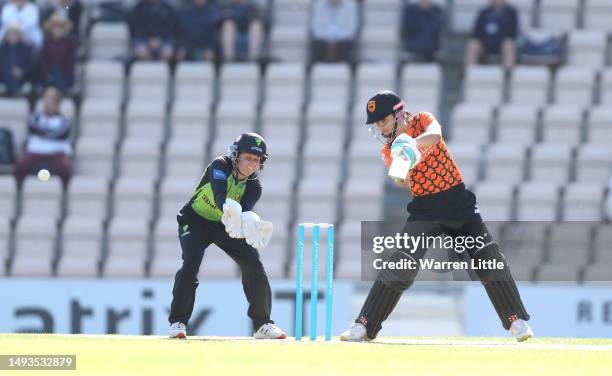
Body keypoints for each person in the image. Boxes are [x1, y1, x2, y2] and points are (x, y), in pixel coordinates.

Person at [339, 90, 533, 342]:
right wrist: (401, 158)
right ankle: (364, 325)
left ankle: (515, 320)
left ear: (398, 114)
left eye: (383, 120)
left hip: (457, 203)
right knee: (401, 264)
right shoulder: (389, 148)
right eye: (376, 124)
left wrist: (411, 143)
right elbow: (401, 181)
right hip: (425, 210)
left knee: (487, 257)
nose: (380, 127)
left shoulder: (422, 120)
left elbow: (435, 135)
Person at [168, 133, 286, 340]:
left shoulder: (254, 186)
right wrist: (228, 208)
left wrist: (249, 222)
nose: (251, 164)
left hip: (226, 226)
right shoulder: (220, 165)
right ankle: (178, 322)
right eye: (248, 157)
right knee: (191, 263)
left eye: (257, 160)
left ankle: (262, 324)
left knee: (253, 264)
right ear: (236, 155)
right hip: (195, 220)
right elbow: (219, 194)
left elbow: (245, 211)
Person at [14, 86, 72, 187]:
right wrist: (50, 133)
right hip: (36, 150)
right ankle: (19, 188)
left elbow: (62, 134)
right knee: (21, 165)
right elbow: (32, 128)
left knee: (65, 167)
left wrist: (43, 133)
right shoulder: (35, 117)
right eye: (46, 98)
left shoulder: (63, 121)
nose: (47, 102)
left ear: (57, 102)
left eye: (51, 99)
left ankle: (65, 191)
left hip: (56, 151)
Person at [465, 0, 518, 70]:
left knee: (509, 44)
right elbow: (476, 30)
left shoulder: (511, 12)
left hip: (502, 43)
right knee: (473, 44)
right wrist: (485, 38)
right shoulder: (484, 11)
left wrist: (499, 37)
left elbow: (513, 32)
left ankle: (507, 72)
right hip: (485, 42)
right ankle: (468, 71)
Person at [40, 12, 75, 94]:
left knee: (57, 70)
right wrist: (47, 74)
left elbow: (69, 63)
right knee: (53, 71)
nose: (57, 29)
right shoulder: (47, 41)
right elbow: (44, 61)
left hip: (65, 75)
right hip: (49, 75)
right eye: (54, 26)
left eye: (59, 26)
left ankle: (60, 93)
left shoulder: (69, 42)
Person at [0, 23, 36, 96]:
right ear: (6, 35)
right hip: (5, 76)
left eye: (15, 34)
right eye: (11, 34)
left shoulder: (27, 48)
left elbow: (31, 63)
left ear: (20, 35)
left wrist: (22, 71)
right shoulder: (2, 48)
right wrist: (10, 70)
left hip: (23, 76)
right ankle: (14, 91)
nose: (13, 36)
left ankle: (14, 91)